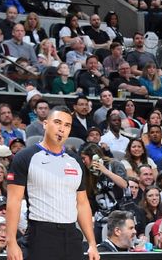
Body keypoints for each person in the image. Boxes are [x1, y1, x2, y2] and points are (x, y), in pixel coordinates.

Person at [6, 106, 100, 260]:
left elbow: (82, 204)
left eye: (67, 125)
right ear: (45, 123)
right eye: (57, 122)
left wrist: (92, 243)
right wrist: (11, 242)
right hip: (40, 235)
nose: (62, 129)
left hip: (72, 236)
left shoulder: (75, 160)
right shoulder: (25, 157)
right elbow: (13, 202)